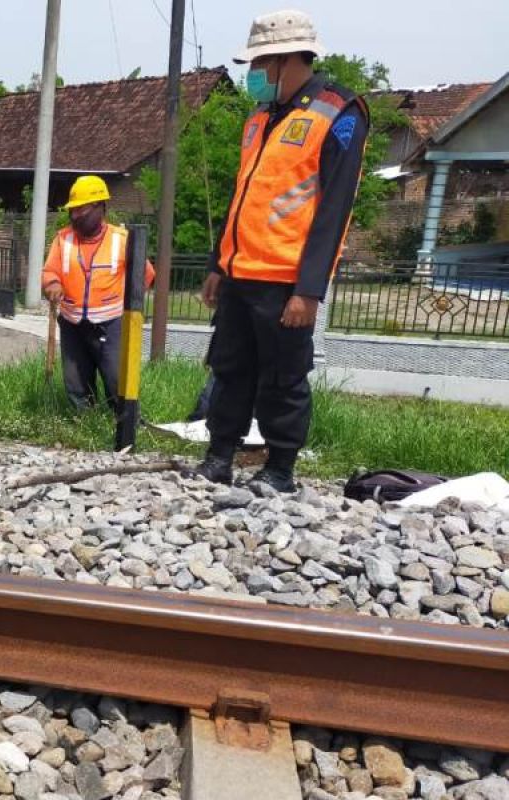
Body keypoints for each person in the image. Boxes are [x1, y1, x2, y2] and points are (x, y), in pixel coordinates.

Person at [192, 9, 368, 492]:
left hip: (286, 280)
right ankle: (219, 456)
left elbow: (334, 210)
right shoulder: (260, 119)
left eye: (258, 65)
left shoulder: (339, 112)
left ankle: (280, 468)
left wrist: (309, 290)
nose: (251, 76)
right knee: (229, 370)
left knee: (282, 378)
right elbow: (242, 196)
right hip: (240, 273)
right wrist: (217, 264)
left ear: (287, 60)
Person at [42, 176, 154, 412]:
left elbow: (146, 275)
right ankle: (84, 424)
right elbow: (50, 270)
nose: (74, 216)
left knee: (116, 378)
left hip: (111, 325)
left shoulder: (122, 239)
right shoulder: (63, 239)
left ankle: (124, 424)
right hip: (72, 322)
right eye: (72, 210)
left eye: (80, 209)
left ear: (100, 207)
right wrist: (52, 284)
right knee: (76, 382)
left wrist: (129, 307)